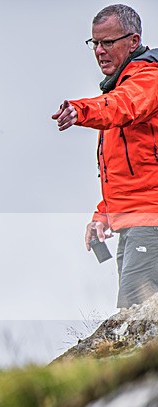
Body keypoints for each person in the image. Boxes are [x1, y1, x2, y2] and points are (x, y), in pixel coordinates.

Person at [52, 4, 158, 309]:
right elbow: (132, 169)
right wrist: (104, 213)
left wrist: (80, 110)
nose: (99, 51)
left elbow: (122, 105)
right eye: (95, 43)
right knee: (133, 315)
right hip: (135, 221)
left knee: (135, 320)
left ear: (134, 41)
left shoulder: (147, 80)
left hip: (151, 220)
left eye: (108, 42)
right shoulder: (121, 86)